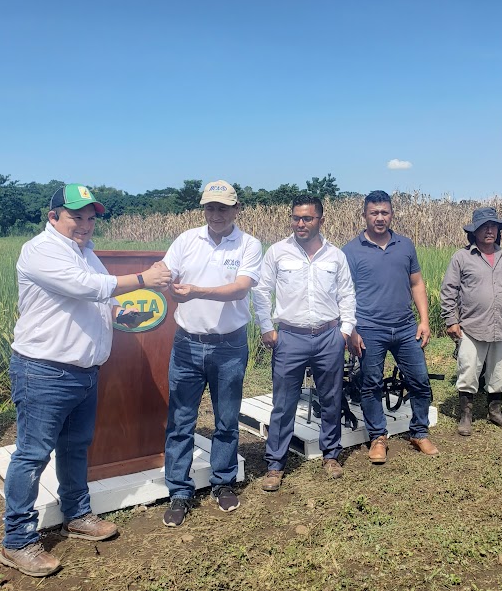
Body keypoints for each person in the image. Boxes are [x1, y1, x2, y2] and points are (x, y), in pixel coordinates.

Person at [1, 184, 171, 577]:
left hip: (84, 372)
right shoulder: (40, 251)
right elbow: (85, 287)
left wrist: (118, 314)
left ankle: (77, 514)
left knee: (76, 447)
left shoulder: (87, 254)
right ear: (54, 216)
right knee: (32, 455)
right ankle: (17, 540)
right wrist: (145, 278)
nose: (85, 224)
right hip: (44, 370)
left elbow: (101, 298)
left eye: (91, 217)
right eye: (77, 216)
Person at [160, 180, 262, 525]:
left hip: (229, 345)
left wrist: (196, 291)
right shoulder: (186, 240)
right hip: (187, 343)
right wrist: (152, 280)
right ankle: (178, 490)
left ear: (236, 209)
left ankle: (223, 482)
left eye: (223, 208)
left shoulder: (249, 245)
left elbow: (239, 289)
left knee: (226, 418)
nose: (216, 215)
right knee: (180, 420)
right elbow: (165, 271)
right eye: (209, 208)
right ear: (203, 210)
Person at [252, 194, 356, 491]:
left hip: (328, 336)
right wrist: (265, 328)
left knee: (331, 398)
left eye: (307, 218)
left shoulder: (335, 255)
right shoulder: (277, 252)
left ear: (320, 220)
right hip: (290, 337)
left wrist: (345, 331)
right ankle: (275, 464)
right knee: (283, 403)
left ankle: (331, 455)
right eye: (296, 217)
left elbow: (347, 294)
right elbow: (261, 291)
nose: (300, 223)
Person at [342, 190, 438, 464]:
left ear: (392, 214)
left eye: (385, 212)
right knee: (370, 385)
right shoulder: (351, 250)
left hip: (406, 327)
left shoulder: (405, 246)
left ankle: (419, 432)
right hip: (369, 329)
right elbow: (343, 293)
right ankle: (378, 438)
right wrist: (352, 330)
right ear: (364, 215)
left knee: (419, 381)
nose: (380, 218)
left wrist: (424, 320)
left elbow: (417, 283)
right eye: (374, 213)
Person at [441, 207, 502, 434]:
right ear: (474, 231)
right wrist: (451, 320)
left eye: (493, 226)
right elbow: (449, 291)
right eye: (484, 226)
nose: (489, 230)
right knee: (468, 371)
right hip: (472, 326)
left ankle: (495, 412)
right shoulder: (462, 257)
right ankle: (466, 415)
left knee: (500, 373)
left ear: (498, 230)